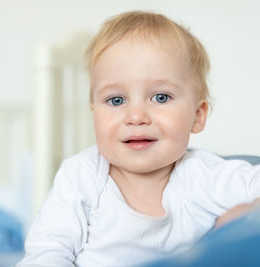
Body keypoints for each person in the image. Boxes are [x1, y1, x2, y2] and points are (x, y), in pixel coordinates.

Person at [17, 11, 260, 267]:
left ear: (197, 116)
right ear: (94, 115)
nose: (136, 116)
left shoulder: (204, 175)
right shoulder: (81, 176)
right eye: (116, 100)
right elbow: (46, 253)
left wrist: (240, 218)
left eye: (160, 97)